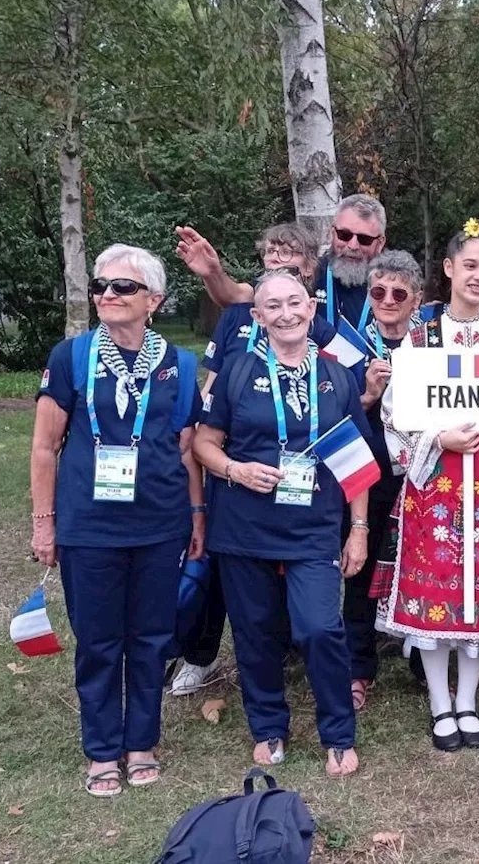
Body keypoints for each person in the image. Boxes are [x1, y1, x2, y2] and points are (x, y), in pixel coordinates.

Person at [30, 245, 205, 796]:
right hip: (89, 526)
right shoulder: (71, 357)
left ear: (152, 299)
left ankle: (141, 744)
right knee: (99, 640)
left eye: (123, 287)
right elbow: (43, 446)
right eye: (102, 284)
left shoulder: (180, 364)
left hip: (160, 523)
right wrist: (44, 521)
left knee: (152, 638)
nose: (107, 293)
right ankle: (103, 749)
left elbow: (186, 450)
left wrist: (197, 514)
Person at [193, 270, 370, 777]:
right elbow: (204, 442)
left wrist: (357, 529)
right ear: (257, 316)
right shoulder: (236, 370)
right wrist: (234, 469)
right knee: (255, 631)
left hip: (313, 525)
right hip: (244, 524)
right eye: (274, 306)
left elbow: (355, 463)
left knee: (319, 627)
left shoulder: (338, 377)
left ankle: (337, 732)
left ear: (312, 309)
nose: (287, 313)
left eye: (295, 302)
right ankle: (269, 726)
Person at [373, 218, 479, 752]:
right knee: (436, 592)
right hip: (435, 485)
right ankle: (439, 706)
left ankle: (467, 700)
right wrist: (439, 437)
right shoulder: (420, 339)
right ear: (448, 269)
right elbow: (394, 414)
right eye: (470, 265)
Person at [170, 221, 334, 697]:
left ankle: (280, 649)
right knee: (223, 566)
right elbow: (213, 382)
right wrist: (209, 442)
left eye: (292, 258)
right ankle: (199, 655)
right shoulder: (242, 315)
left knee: (287, 567)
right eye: (271, 255)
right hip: (231, 464)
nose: (280, 263)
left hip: (296, 472)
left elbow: (349, 387)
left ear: (309, 272)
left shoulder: (316, 325)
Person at [346, 250, 423, 711]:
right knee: (361, 564)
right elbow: (335, 418)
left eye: (399, 293)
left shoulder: (431, 346)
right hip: (368, 476)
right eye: (379, 292)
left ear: (416, 299)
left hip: (421, 472)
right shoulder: (346, 346)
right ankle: (358, 665)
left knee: (421, 564)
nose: (388, 300)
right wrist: (369, 395)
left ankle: (421, 659)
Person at [176, 193, 388, 328]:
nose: (352, 245)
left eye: (364, 239)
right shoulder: (307, 270)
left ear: (380, 243)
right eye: (344, 235)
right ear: (333, 233)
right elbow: (237, 296)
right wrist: (212, 273)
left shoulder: (393, 288)